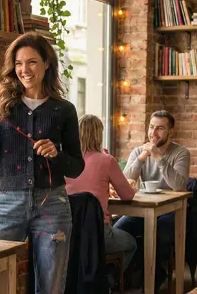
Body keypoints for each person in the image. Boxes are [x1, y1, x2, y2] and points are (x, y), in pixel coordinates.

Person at [0, 32, 85, 294]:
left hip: (52, 204)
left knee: (50, 287)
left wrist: (56, 154)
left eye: (32, 62)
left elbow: (76, 167)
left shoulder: (64, 109)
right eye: (18, 63)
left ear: (47, 63)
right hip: (8, 202)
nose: (24, 70)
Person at [112, 110, 190, 288]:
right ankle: (120, 280)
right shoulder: (138, 151)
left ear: (170, 132)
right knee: (119, 230)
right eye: (151, 127)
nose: (153, 133)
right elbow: (125, 181)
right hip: (143, 210)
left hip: (170, 210)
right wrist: (142, 158)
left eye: (160, 128)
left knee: (159, 232)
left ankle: (154, 277)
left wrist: (158, 157)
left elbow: (178, 186)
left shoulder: (181, 153)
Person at [64, 114, 136, 273]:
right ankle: (108, 281)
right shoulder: (107, 160)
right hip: (97, 233)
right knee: (131, 243)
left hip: (67, 233)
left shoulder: (66, 161)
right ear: (99, 135)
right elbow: (127, 196)